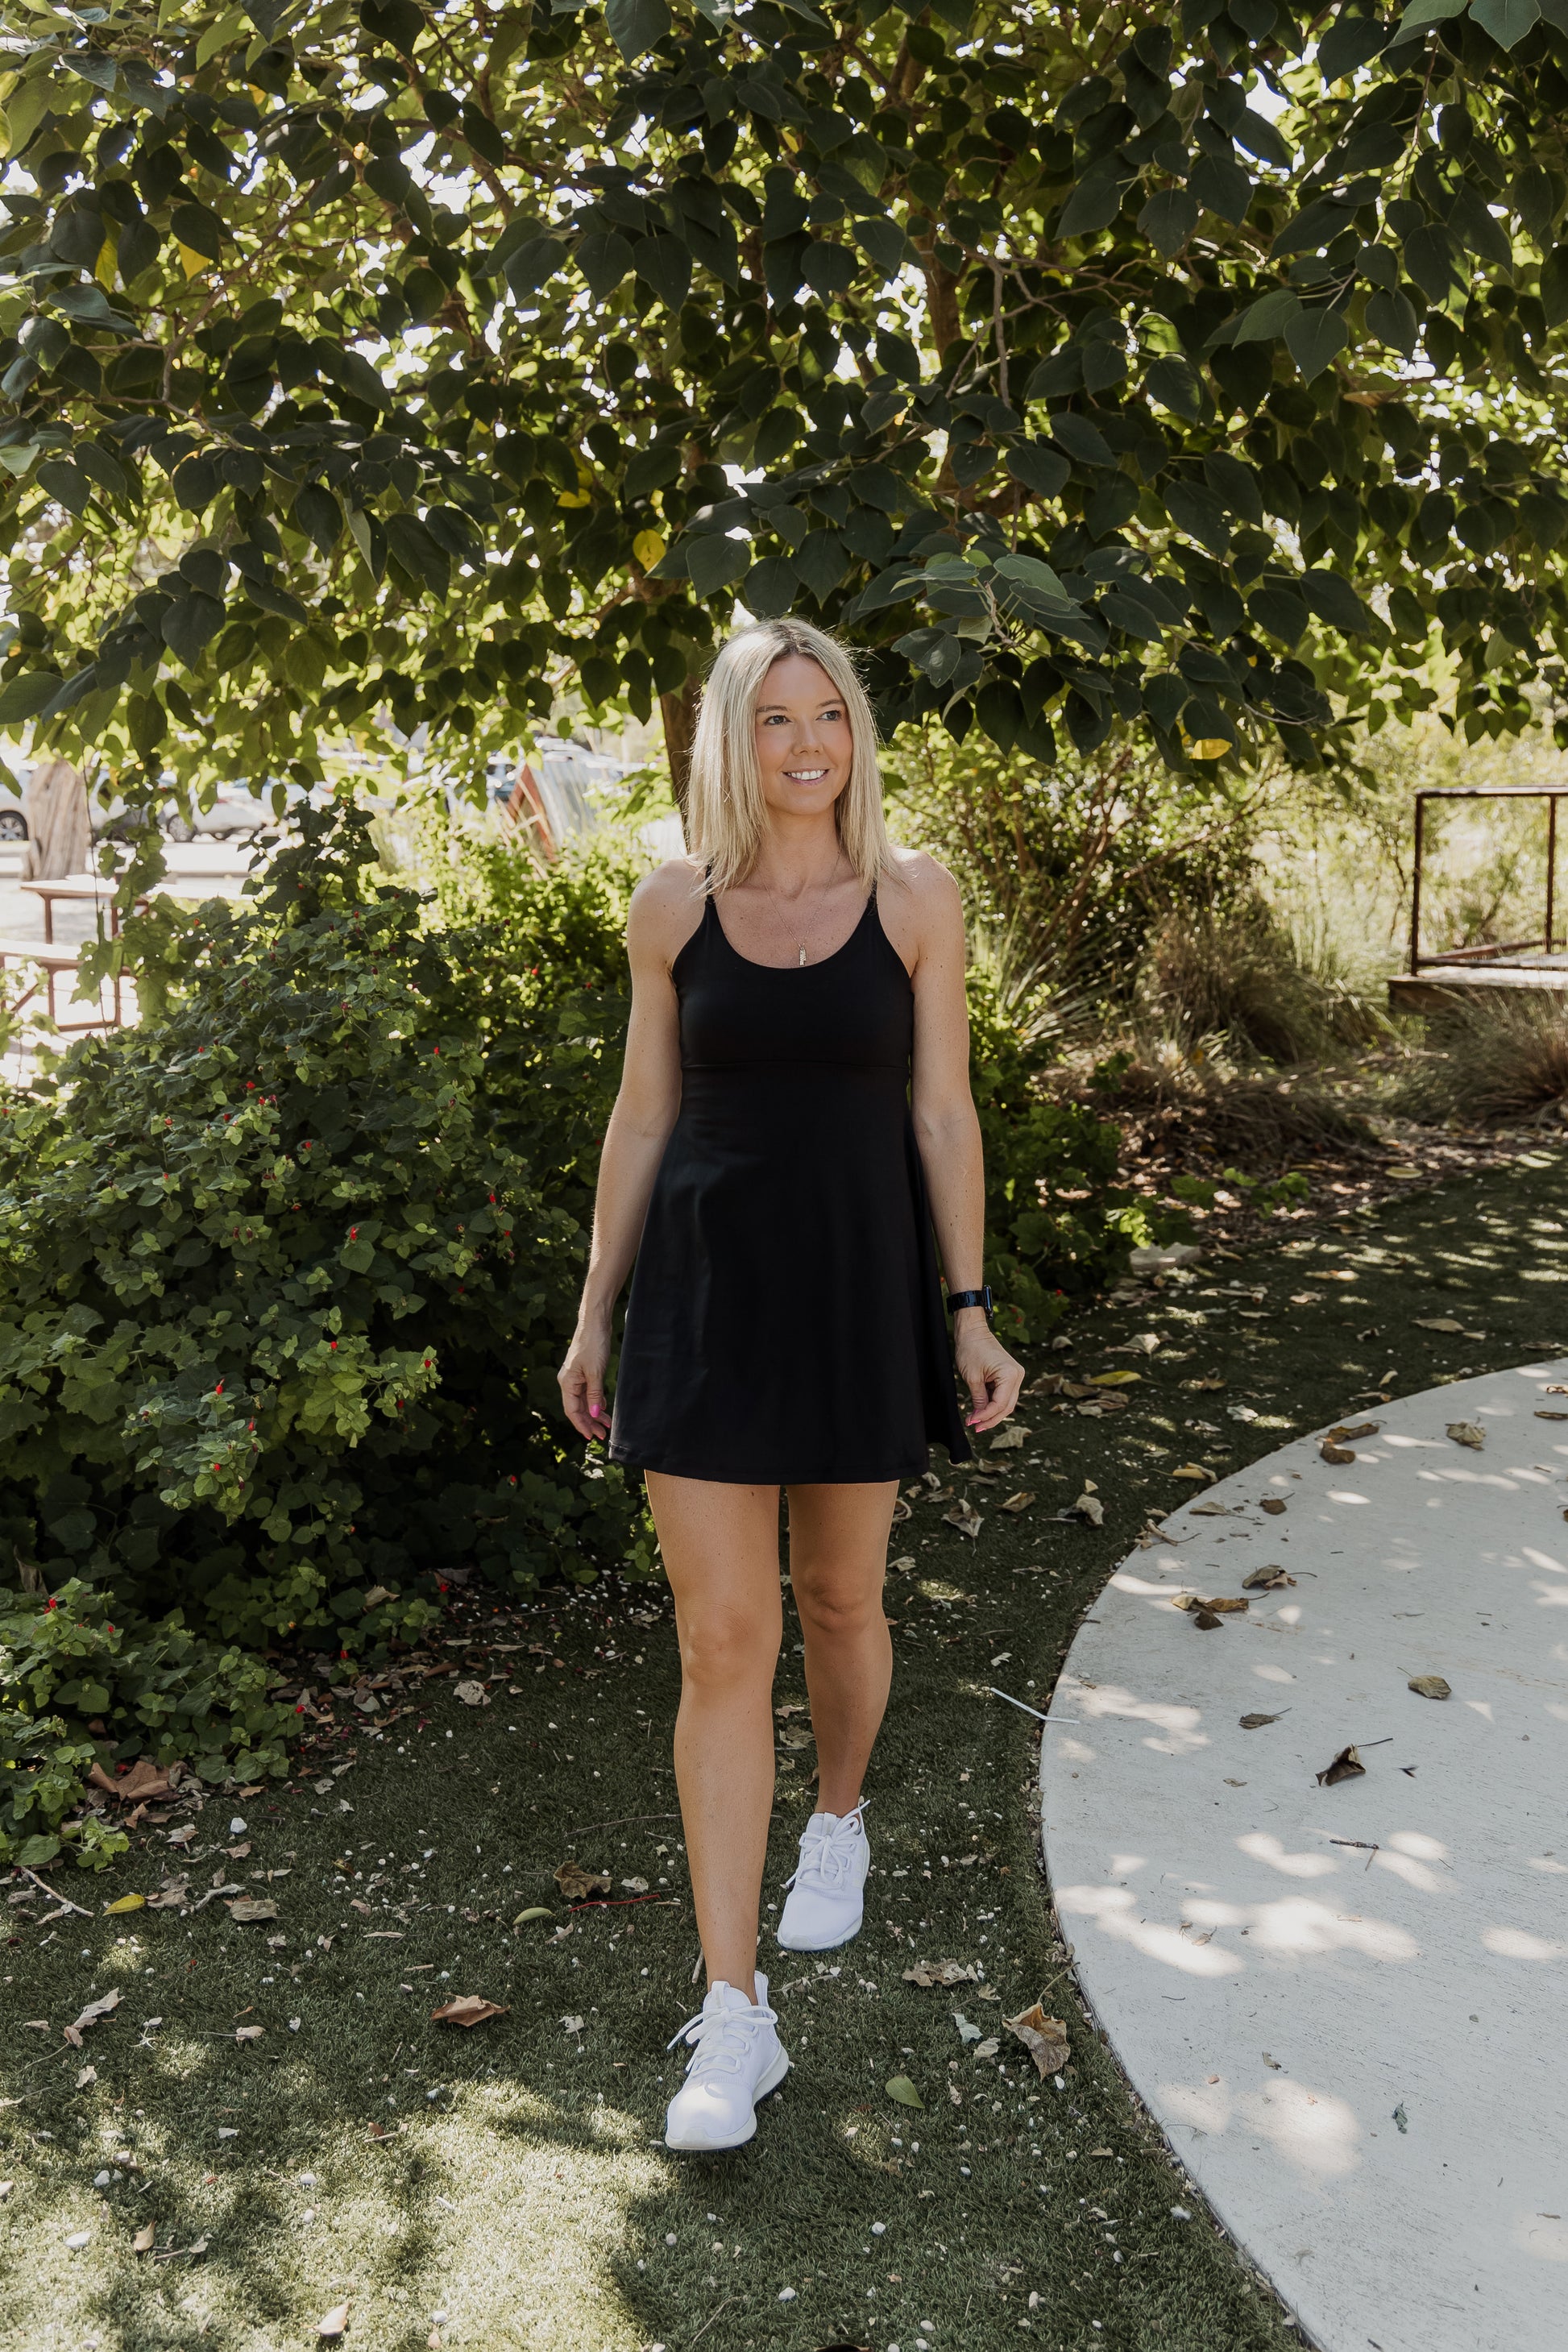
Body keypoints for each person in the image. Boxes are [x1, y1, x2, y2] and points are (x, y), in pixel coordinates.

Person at [558, 617, 1023, 2151]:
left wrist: (967, 1307)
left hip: (853, 1288)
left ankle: (838, 1817)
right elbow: (641, 1118)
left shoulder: (914, 899)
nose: (808, 745)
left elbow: (943, 1116)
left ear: (857, 735)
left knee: (837, 1603)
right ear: (729, 740)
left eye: (830, 717)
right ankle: (733, 2016)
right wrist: (593, 1312)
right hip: (703, 1293)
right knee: (720, 1637)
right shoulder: (670, 905)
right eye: (776, 721)